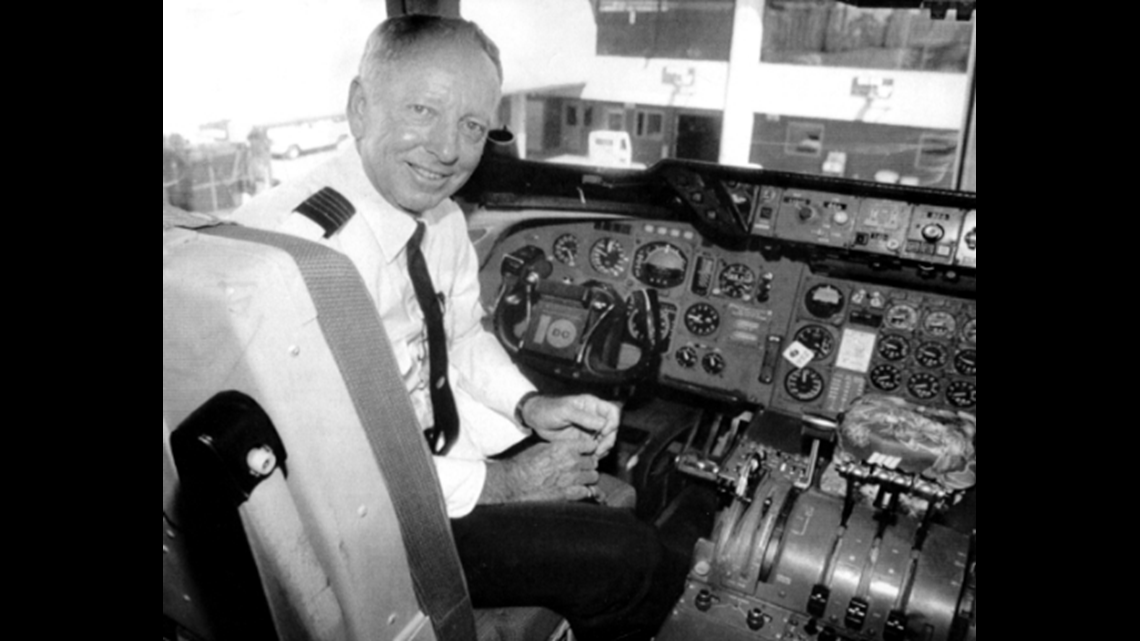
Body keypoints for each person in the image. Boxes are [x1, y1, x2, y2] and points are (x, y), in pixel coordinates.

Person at [230, 15, 686, 641]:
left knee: (616, 482)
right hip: (373, 524)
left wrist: (530, 406)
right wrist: (505, 483)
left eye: (472, 126)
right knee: (637, 560)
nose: (448, 149)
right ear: (360, 108)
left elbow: (464, 336)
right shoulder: (303, 259)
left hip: (435, 455)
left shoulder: (439, 218)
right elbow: (336, 458)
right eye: (423, 110)